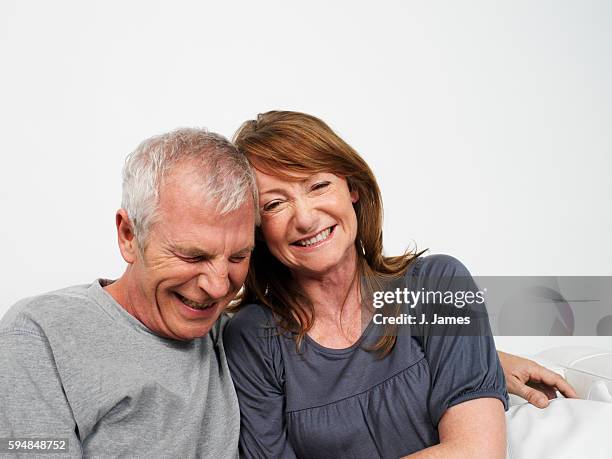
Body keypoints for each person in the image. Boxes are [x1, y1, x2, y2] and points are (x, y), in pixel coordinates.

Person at [224, 111, 577, 458]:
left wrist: (482, 355)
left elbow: (477, 451)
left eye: (318, 185)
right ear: (254, 228)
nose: (304, 217)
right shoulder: (251, 339)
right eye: (274, 204)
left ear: (353, 189)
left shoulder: (439, 285)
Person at [0, 129, 258, 457]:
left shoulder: (239, 337)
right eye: (193, 256)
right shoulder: (38, 335)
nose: (219, 286)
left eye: (238, 256)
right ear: (128, 235)